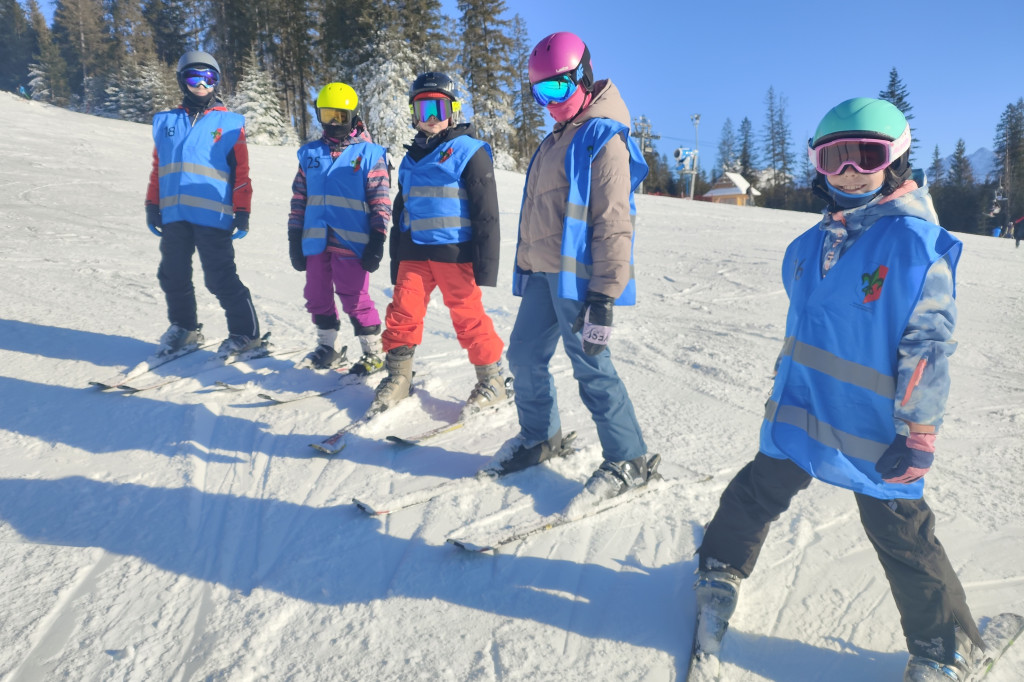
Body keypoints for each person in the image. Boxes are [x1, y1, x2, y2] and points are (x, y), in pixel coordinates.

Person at [692, 98, 986, 682]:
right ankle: (720, 563)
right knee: (759, 488)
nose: (850, 171)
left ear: (896, 160)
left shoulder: (915, 246)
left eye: (866, 157)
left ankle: (945, 645)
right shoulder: (805, 248)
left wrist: (920, 431)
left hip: (873, 427)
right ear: (818, 167)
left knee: (901, 532)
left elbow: (927, 346)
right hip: (800, 410)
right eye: (835, 159)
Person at [488, 32, 655, 502]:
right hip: (544, 274)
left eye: (558, 89)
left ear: (583, 77)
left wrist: (603, 295)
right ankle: (540, 435)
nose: (550, 102)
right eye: (541, 93)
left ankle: (629, 458)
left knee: (591, 366)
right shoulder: (555, 138)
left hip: (580, 281)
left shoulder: (603, 137)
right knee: (522, 355)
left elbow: (613, 222)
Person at [369, 72, 505, 417]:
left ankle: (492, 379)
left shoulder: (469, 152)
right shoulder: (412, 157)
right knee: (402, 314)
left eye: (438, 108)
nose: (431, 118)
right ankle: (399, 377)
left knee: (467, 316)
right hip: (415, 251)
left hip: (455, 253)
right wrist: (396, 257)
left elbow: (486, 213)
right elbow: (402, 208)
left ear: (453, 111)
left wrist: (485, 266)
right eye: (423, 108)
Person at [145, 50, 262, 358]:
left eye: (208, 78)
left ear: (216, 82)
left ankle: (246, 333)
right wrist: (152, 203)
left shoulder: (230, 123)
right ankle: (185, 328)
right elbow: (160, 168)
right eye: (193, 77)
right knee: (172, 274)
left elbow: (241, 172)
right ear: (182, 81)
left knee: (219, 277)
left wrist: (243, 210)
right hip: (174, 214)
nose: (200, 84)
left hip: (213, 214)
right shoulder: (166, 121)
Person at [287, 82, 391, 374]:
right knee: (316, 295)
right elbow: (299, 198)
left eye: (340, 117)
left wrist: (378, 239)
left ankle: (373, 354)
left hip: (352, 243)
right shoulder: (310, 154)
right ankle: (327, 347)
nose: (333, 124)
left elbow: (380, 200)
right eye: (327, 115)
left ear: (354, 116)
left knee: (355, 298)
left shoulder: (370, 154)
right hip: (315, 241)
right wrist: (294, 236)